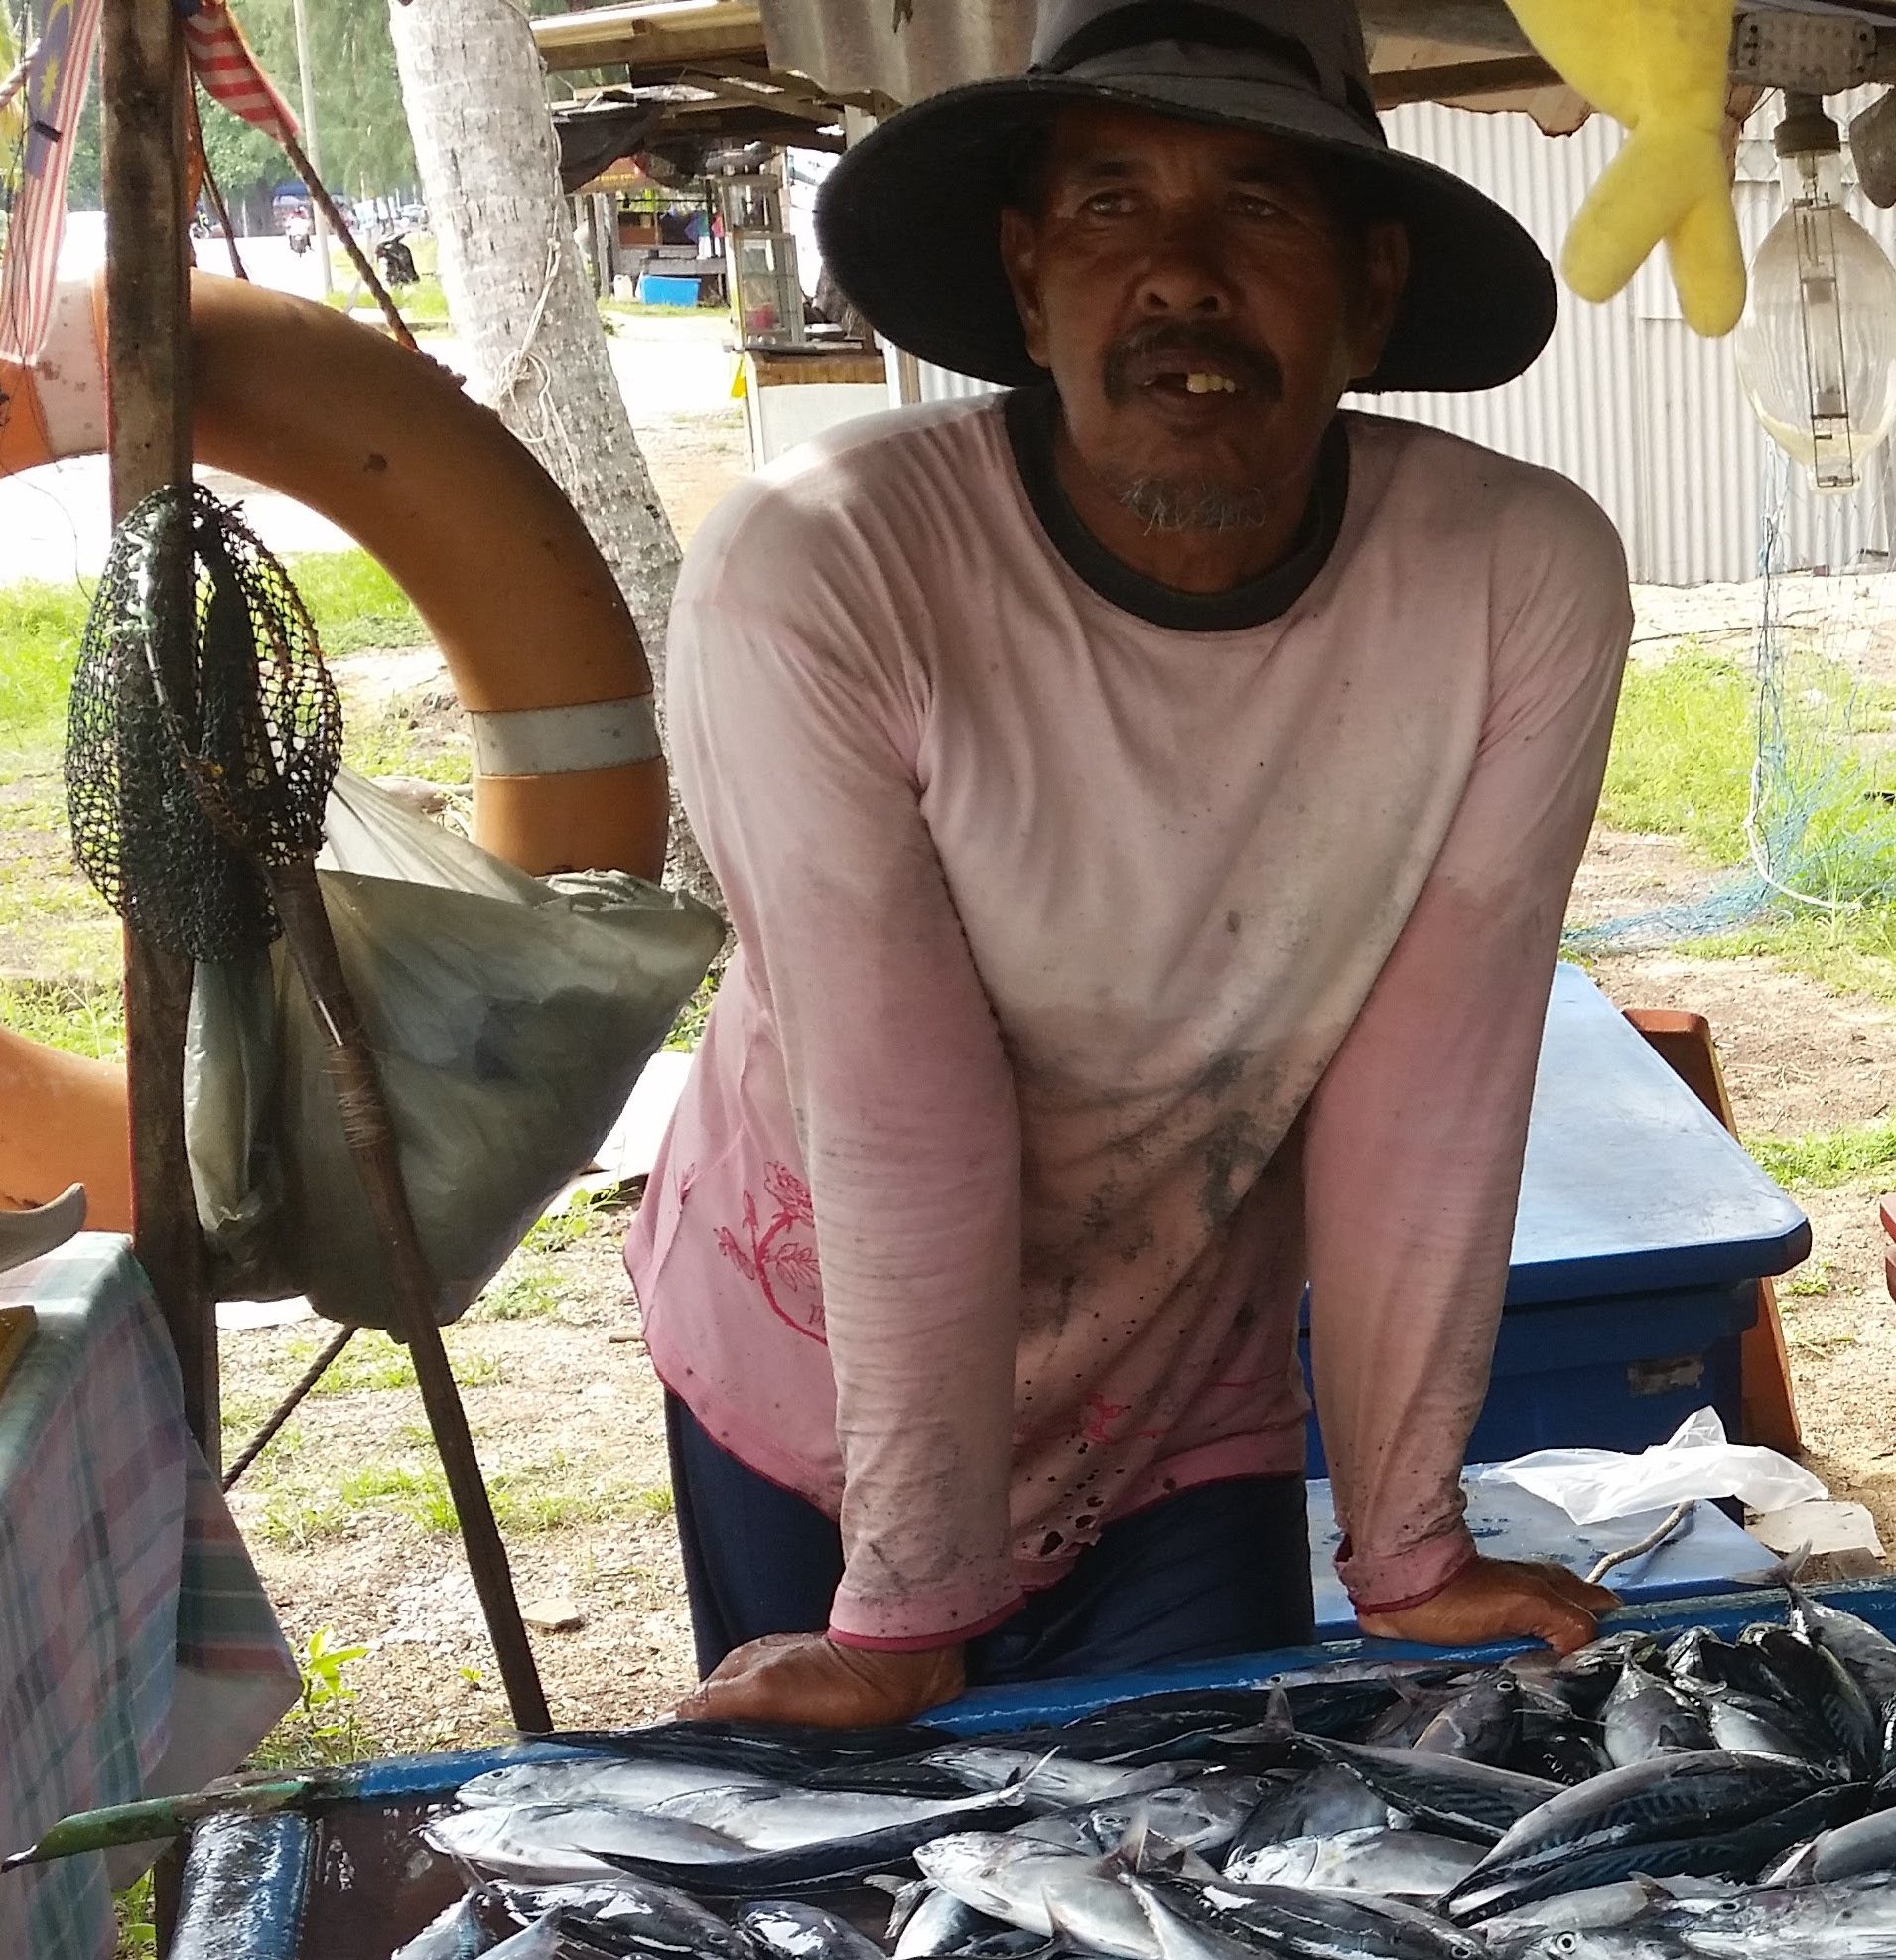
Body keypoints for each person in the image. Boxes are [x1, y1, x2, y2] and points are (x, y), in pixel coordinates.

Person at [628, 0, 1629, 1727]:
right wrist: (901, 1606)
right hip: (823, 1355)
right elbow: (895, 1094)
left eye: (1257, 206)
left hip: (1180, 1377)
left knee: (1193, 1851)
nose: (1177, 276)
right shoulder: (819, 567)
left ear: (1371, 287)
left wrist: (1402, 1541)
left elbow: (1434, 1084)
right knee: (862, 1906)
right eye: (1108, 206)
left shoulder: (1513, 577)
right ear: (1026, 280)